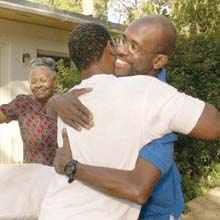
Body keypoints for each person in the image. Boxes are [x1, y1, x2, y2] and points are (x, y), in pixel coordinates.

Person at [39, 22, 220, 220]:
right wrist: (55, 101)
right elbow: (53, 110)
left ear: (158, 60)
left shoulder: (156, 100)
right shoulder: (93, 92)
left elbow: (137, 188)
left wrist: (71, 166)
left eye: (133, 47)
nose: (120, 51)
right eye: (122, 41)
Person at [0, 57, 58, 165]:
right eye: (34, 81)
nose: (38, 85)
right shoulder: (24, 103)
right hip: (32, 173)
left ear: (54, 81)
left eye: (43, 80)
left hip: (60, 174)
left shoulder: (64, 104)